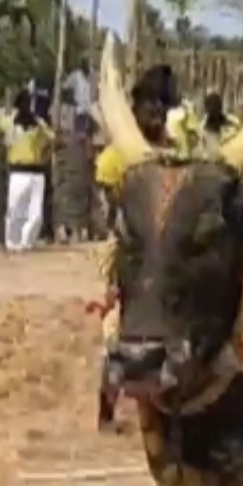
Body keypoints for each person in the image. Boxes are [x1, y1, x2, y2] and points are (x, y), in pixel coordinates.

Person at [90, 67, 172, 432]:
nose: (157, 113)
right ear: (134, 108)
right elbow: (109, 212)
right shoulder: (115, 158)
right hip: (128, 254)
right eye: (150, 105)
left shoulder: (172, 153)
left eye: (162, 106)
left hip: (167, 255)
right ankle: (106, 412)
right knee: (117, 333)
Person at [2, 89, 54, 253]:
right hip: (18, 170)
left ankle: (26, 241)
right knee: (16, 209)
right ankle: (12, 242)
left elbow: (52, 138)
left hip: (36, 171)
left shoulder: (37, 123)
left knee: (35, 213)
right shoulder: (10, 122)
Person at [198, 91, 240, 157]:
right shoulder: (203, 127)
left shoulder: (232, 122)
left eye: (215, 106)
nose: (214, 109)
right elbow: (202, 151)